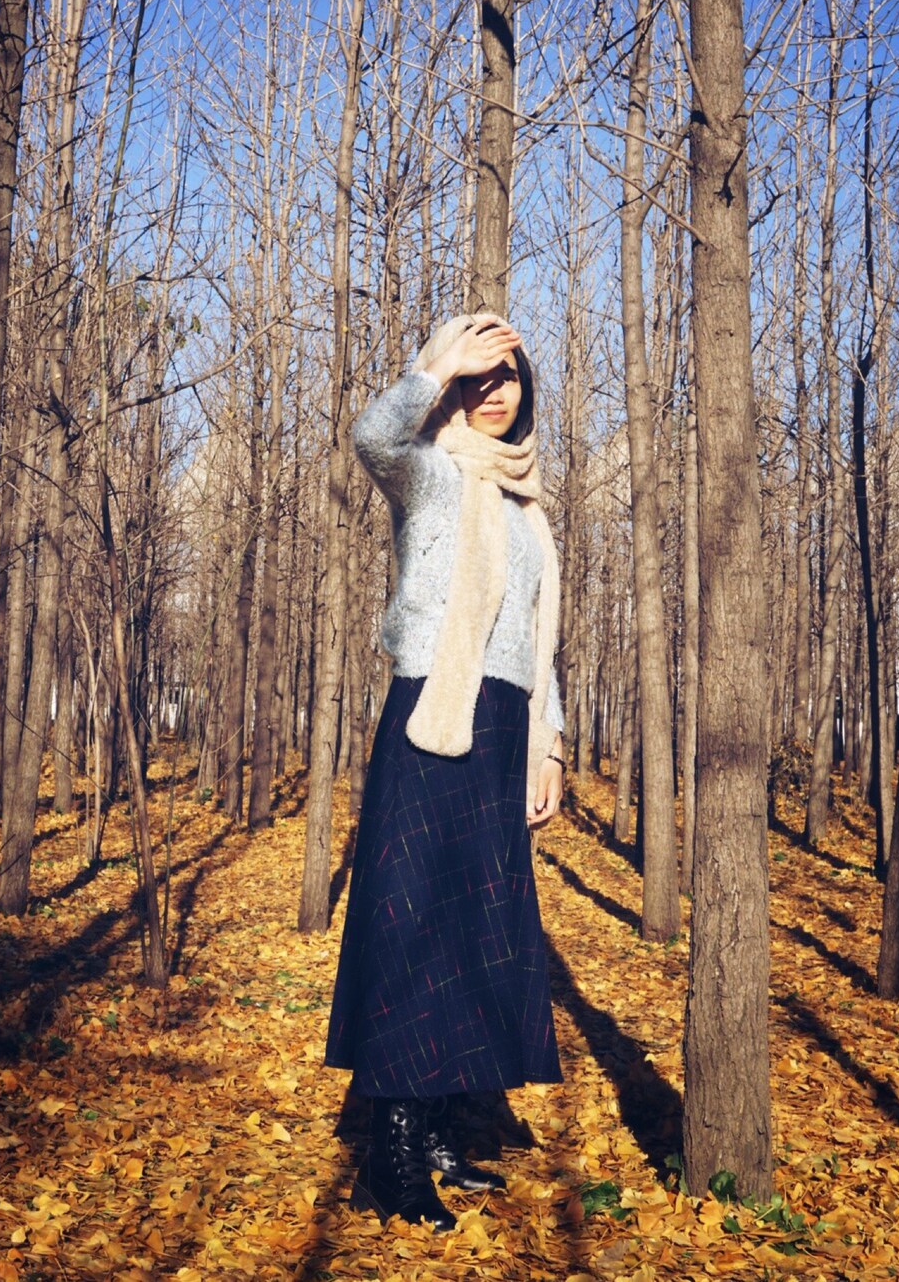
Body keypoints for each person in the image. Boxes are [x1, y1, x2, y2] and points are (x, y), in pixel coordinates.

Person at [325, 315, 565, 1232]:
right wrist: (435, 366)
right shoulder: (429, 472)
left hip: (503, 729)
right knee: (411, 926)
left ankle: (434, 1138)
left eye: (508, 377)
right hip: (433, 718)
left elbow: (540, 644)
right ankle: (388, 1159)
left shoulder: (529, 509)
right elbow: (371, 437)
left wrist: (549, 744)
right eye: (478, 380)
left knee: (471, 931)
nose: (494, 393)